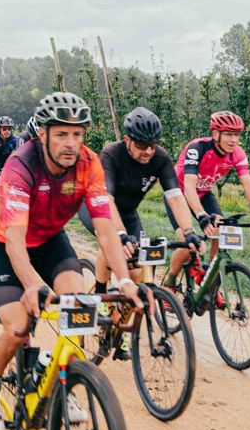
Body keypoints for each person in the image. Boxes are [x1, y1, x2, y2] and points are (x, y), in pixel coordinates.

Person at [0, 92, 146, 430]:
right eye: (61, 134)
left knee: (77, 306)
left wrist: (126, 282)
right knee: (18, 327)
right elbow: (14, 238)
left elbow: (105, 229)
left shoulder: (89, 164)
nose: (71, 143)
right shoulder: (21, 165)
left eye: (77, 134)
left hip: (49, 238)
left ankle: (62, 382)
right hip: (5, 239)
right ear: (44, 134)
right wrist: (30, 284)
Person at [77, 107, 204, 358]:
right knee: (110, 241)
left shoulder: (160, 158)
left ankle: (121, 331)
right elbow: (107, 199)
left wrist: (188, 231)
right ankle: (102, 294)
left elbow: (175, 197)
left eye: (152, 145)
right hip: (99, 206)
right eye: (142, 145)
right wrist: (120, 234)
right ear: (127, 140)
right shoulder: (111, 155)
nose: (148, 151)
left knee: (137, 273)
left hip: (129, 213)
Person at [161, 111, 250, 290]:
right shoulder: (197, 148)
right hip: (180, 195)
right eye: (229, 134)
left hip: (204, 193)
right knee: (187, 242)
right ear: (215, 134)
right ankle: (169, 282)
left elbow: (248, 185)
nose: (233, 139)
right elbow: (189, 188)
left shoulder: (237, 154)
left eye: (236, 135)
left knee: (222, 231)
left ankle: (210, 281)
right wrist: (201, 215)